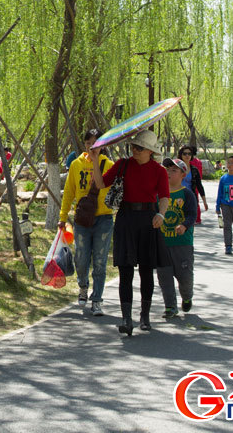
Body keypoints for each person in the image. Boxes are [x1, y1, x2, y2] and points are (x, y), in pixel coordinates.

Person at [89, 129, 170, 335]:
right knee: (125, 270)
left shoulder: (159, 170)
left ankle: (144, 315)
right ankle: (126, 318)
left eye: (139, 148)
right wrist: (95, 160)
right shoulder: (123, 164)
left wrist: (161, 215)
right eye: (133, 146)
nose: (134, 150)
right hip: (125, 219)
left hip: (148, 220)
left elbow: (164, 197)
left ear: (150, 151)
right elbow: (100, 183)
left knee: (145, 270)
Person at [59, 129, 113, 316]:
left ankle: (97, 299)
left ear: (103, 145)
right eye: (89, 142)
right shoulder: (76, 164)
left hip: (103, 218)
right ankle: (83, 287)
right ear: (85, 144)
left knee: (100, 261)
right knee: (81, 259)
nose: (92, 146)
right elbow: (69, 192)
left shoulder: (109, 165)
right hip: (82, 220)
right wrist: (62, 217)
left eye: (96, 143)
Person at [157, 158, 196, 318]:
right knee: (164, 277)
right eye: (167, 169)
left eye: (174, 170)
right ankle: (170, 306)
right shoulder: (159, 194)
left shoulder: (187, 193)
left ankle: (187, 297)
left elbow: (192, 214)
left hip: (182, 244)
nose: (169, 173)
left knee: (185, 277)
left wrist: (185, 225)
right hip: (162, 244)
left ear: (183, 175)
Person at [178, 146, 208, 225]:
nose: (187, 155)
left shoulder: (194, 170)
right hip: (178, 196)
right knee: (178, 220)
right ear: (181, 155)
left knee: (189, 222)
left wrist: (204, 201)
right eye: (185, 154)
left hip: (190, 198)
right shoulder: (175, 168)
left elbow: (199, 186)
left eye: (189, 154)